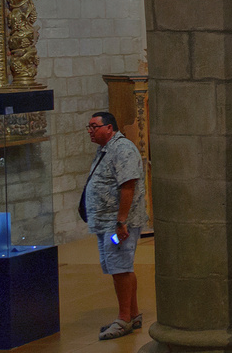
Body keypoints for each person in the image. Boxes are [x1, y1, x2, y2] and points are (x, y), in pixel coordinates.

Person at [82, 110, 145, 339]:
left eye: (94, 126)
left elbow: (128, 186)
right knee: (120, 266)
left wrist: (121, 221)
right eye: (88, 127)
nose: (90, 130)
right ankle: (134, 314)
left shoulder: (123, 149)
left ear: (109, 127)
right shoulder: (105, 149)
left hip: (118, 226)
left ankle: (123, 319)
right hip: (107, 223)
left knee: (120, 267)